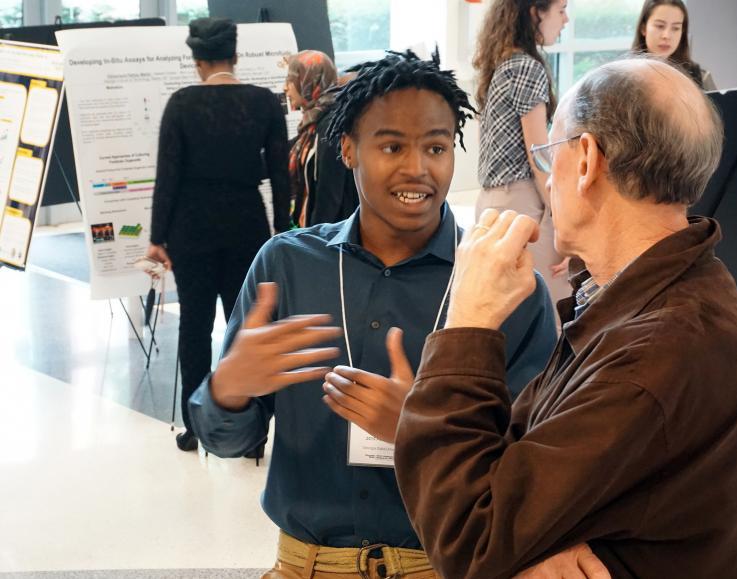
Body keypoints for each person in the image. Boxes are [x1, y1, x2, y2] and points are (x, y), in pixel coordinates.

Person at [189, 51, 559, 579]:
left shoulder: (508, 285)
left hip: (446, 563)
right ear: (347, 149)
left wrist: (423, 432)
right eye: (392, 146)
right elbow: (226, 441)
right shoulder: (287, 267)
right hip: (307, 565)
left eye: (436, 147)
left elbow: (536, 464)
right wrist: (227, 389)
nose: (418, 168)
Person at [394, 56, 737, 578]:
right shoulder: (658, 298)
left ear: (585, 160)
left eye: (547, 152)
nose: (546, 175)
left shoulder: (652, 353)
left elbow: (470, 541)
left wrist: (469, 320)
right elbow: (522, 457)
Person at [147, 17, 291, 452]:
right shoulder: (264, 103)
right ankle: (254, 432)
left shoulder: (181, 104)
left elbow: (166, 177)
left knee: (194, 325)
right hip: (247, 222)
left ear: (197, 61)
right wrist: (283, 231)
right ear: (235, 55)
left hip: (190, 228)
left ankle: (196, 426)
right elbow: (281, 177)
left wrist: (157, 236)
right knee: (248, 325)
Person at [473, 0, 571, 308]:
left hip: (491, 203)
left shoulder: (502, 64)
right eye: (561, 9)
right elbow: (538, 156)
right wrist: (563, 217)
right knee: (551, 314)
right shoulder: (527, 67)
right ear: (535, 12)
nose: (566, 20)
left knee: (506, 314)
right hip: (523, 203)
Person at [285, 50, 359, 227]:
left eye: (291, 80)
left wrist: (316, 239)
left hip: (330, 238)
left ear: (308, 81)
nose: (285, 87)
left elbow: (330, 195)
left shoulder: (330, 126)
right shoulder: (313, 125)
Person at [632, 0, 717, 90]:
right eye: (660, 26)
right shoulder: (626, 76)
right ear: (643, 28)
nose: (666, 36)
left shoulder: (700, 77)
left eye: (676, 28)